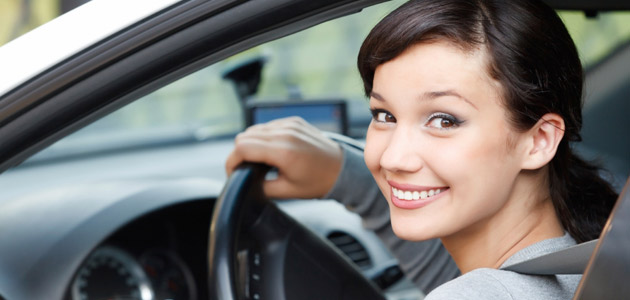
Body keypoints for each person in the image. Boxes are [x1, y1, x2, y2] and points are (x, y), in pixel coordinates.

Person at [225, 0, 619, 298]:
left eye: (444, 120)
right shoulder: (584, 261)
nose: (393, 158)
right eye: (384, 115)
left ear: (539, 140)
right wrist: (342, 175)